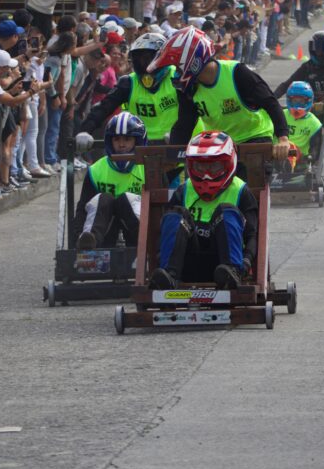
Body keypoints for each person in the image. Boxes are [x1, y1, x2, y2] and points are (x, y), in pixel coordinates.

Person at [147, 28, 291, 158]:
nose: (176, 74)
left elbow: (270, 102)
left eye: (177, 67)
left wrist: (283, 138)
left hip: (255, 138)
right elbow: (185, 124)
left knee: (247, 183)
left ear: (191, 61)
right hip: (218, 145)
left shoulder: (237, 72)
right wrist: (172, 156)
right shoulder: (188, 88)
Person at [149, 130, 259, 290]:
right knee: (175, 214)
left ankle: (232, 273)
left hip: (224, 264)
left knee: (226, 210)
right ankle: (169, 276)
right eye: (200, 167)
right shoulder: (183, 190)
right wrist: (159, 258)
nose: (206, 175)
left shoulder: (241, 191)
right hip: (188, 262)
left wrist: (247, 261)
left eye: (214, 166)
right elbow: (165, 231)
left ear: (228, 163)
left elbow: (252, 235)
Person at [78, 33, 179, 145]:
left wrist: (179, 134)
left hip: (178, 146)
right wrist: (85, 131)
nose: (144, 64)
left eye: (149, 59)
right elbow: (103, 108)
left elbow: (190, 111)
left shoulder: (178, 77)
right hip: (140, 146)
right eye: (139, 59)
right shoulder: (128, 82)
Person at [73, 112, 146, 249]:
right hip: (104, 231)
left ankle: (148, 242)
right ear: (109, 141)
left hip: (136, 232)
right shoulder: (96, 169)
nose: (122, 144)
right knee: (104, 198)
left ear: (138, 141)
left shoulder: (148, 167)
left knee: (126, 199)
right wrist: (77, 235)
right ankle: (88, 240)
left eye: (127, 139)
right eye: (117, 139)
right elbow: (83, 207)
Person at [273, 32, 324, 136]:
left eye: (322, 50)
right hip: (312, 103)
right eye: (317, 50)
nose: (319, 53)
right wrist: (272, 98)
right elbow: (288, 84)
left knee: (322, 135)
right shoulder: (307, 66)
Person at [283, 81, 323, 167]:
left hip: (301, 159)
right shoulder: (281, 115)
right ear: (289, 100)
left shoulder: (314, 123)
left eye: (301, 101)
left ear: (308, 101)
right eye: (294, 101)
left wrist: (310, 157)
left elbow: (315, 149)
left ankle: (288, 165)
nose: (297, 105)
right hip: (278, 153)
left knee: (291, 150)